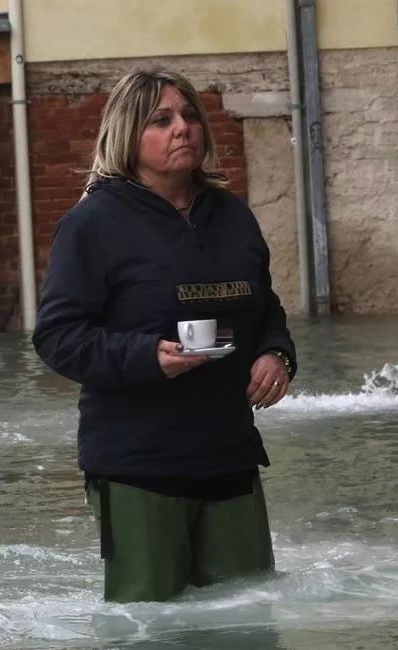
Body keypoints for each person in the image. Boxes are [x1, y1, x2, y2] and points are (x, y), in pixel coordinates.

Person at [32, 69, 298, 602]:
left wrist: (277, 354)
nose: (184, 129)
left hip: (230, 456)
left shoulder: (233, 215)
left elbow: (265, 308)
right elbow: (58, 336)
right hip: (138, 465)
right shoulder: (92, 224)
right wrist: (146, 356)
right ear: (129, 135)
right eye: (162, 120)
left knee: (246, 621)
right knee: (151, 634)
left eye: (190, 115)